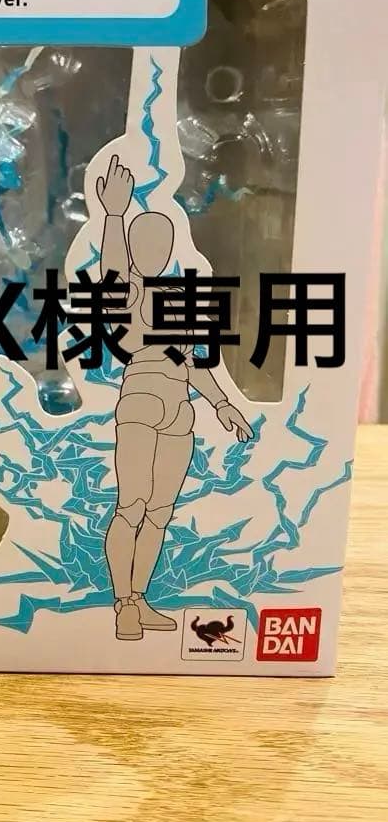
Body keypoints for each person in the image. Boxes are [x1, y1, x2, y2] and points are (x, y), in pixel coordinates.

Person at [96, 154, 253, 641]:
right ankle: (122, 604)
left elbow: (191, 362)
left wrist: (223, 403)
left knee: (160, 512)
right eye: (144, 242)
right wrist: (114, 216)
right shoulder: (127, 292)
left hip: (179, 407)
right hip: (141, 399)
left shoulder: (177, 299)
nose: (154, 250)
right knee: (132, 506)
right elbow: (112, 273)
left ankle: (139, 598)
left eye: (161, 243)